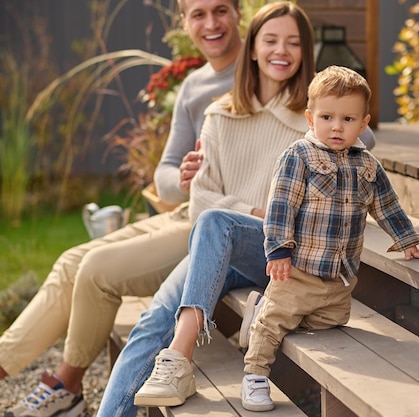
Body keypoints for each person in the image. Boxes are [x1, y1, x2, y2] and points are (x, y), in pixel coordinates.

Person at [0, 1, 243, 416]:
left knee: (96, 270)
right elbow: (164, 175)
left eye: (220, 10)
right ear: (184, 22)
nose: (211, 23)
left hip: (215, 225)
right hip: (183, 209)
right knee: (70, 261)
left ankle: (67, 387)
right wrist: (183, 177)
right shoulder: (193, 84)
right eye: (197, 14)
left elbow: (343, 124)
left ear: (239, 12)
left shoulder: (262, 69)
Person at [97, 2, 317, 415]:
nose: (281, 51)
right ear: (252, 49)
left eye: (293, 42)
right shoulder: (219, 114)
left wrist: (247, 219)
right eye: (270, 40)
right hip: (224, 243)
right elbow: (200, 201)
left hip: (279, 253)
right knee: (151, 323)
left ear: (307, 51)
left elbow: (364, 138)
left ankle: (181, 358)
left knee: (219, 222)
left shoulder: (313, 122)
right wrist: (254, 212)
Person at [238, 65, 419, 412]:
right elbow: (281, 205)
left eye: (348, 119)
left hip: (340, 277)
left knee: (328, 322)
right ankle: (255, 374)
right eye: (327, 117)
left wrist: (408, 241)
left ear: (364, 123)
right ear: (310, 118)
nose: (337, 126)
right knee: (275, 323)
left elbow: (386, 206)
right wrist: (279, 251)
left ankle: (261, 311)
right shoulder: (298, 157)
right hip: (298, 271)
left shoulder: (368, 165)